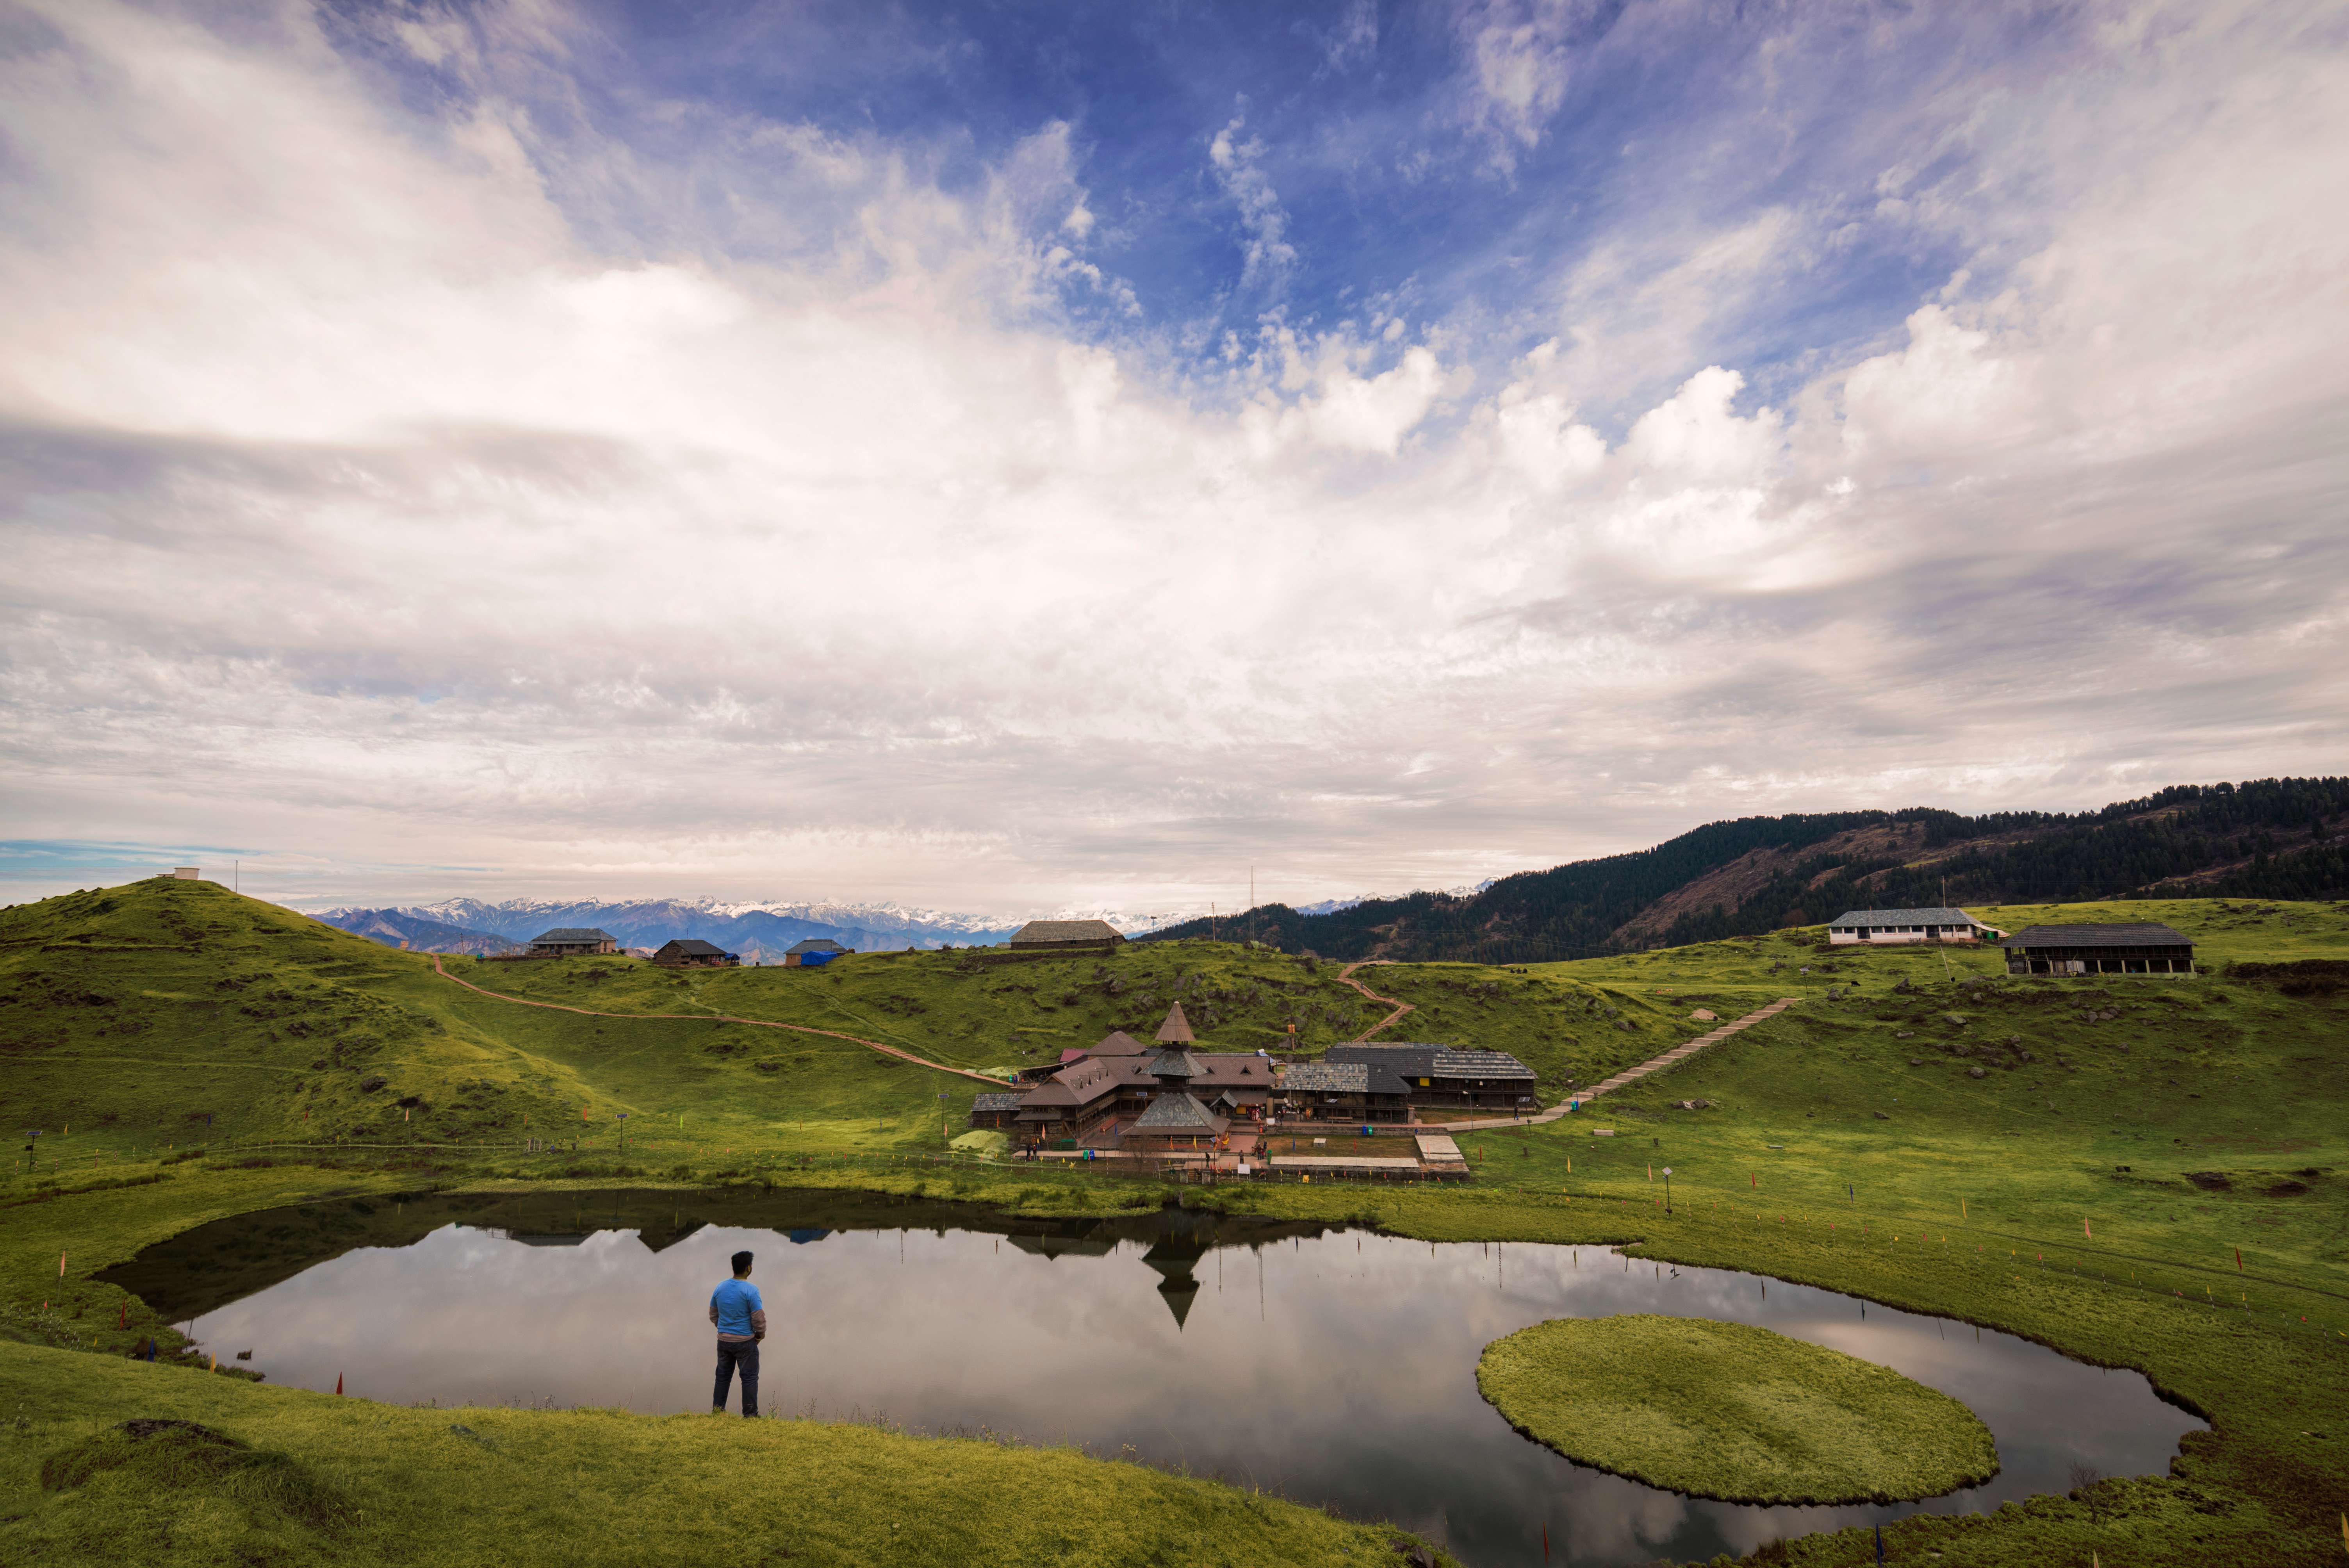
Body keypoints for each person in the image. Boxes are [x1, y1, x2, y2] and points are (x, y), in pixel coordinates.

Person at [708, 1249, 766, 1417]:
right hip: (746, 1342)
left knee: (722, 1377)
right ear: (748, 1268)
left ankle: (718, 1412)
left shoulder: (720, 1287)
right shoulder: (751, 1290)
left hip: (724, 1341)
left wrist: (724, 1327)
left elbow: (713, 1314)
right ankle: (750, 1415)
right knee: (749, 1378)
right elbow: (758, 1318)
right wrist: (760, 1335)